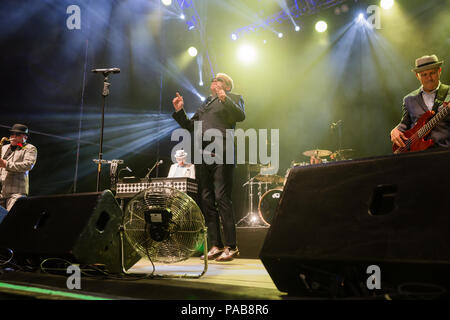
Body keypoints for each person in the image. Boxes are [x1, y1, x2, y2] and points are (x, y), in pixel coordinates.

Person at [172, 73, 245, 262]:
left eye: (219, 80)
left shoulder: (234, 98)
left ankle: (232, 246)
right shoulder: (206, 103)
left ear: (227, 86)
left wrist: (225, 98)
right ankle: (216, 244)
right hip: (204, 155)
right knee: (206, 199)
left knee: (222, 198)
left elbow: (240, 116)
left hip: (223, 152)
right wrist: (180, 111)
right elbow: (190, 125)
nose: (215, 82)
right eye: (214, 80)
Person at [391, 54, 450, 150]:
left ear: (439, 71)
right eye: (424, 75)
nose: (429, 78)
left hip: (445, 153)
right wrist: (395, 131)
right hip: (418, 155)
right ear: (417, 76)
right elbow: (404, 124)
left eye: (432, 73)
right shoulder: (409, 99)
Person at [0, 124, 38, 211]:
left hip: (17, 193)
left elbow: (27, 165)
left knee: (10, 218)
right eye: (12, 134)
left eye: (17, 135)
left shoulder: (30, 148)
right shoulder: (4, 147)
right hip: (2, 191)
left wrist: (6, 164)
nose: (13, 137)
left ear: (25, 137)